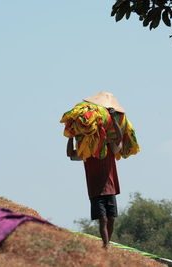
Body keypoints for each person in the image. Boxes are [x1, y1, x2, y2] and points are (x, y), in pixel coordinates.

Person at [67, 107, 123, 249]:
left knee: (111, 219)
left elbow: (119, 138)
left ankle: (106, 245)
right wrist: (71, 135)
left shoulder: (110, 147)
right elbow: (70, 154)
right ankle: (106, 245)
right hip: (96, 190)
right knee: (103, 219)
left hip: (110, 188)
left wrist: (114, 119)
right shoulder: (87, 150)